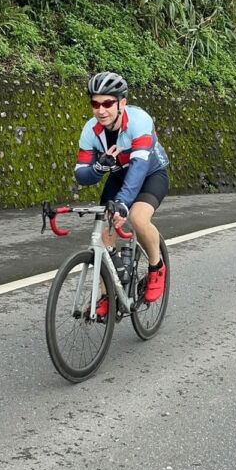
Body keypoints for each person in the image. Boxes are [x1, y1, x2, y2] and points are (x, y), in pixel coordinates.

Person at [74, 71, 169, 318]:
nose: (101, 110)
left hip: (150, 174)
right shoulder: (91, 130)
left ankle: (156, 267)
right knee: (105, 231)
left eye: (107, 103)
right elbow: (82, 175)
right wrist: (98, 167)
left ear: (122, 103)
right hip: (118, 178)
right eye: (95, 104)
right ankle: (108, 294)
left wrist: (124, 205)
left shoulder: (139, 120)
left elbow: (138, 168)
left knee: (137, 218)